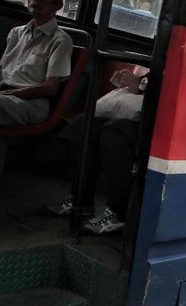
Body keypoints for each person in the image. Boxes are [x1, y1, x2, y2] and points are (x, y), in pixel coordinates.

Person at [0, 0, 72, 169]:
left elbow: (50, 88)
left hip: (32, 103)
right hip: (5, 97)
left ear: (57, 4)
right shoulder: (16, 33)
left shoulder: (60, 40)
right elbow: (1, 74)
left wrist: (9, 94)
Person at [43, 68, 147, 235]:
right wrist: (132, 84)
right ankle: (81, 200)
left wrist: (142, 87)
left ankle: (118, 213)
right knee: (83, 123)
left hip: (157, 122)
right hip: (133, 116)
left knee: (114, 132)